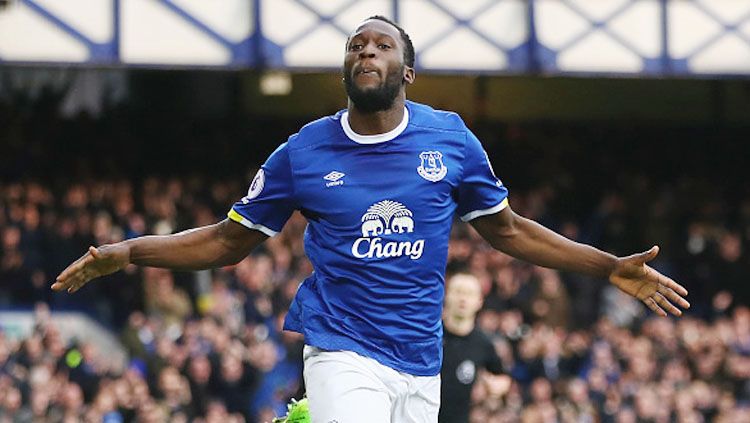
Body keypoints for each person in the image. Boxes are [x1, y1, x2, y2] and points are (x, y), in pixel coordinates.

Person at [52, 15, 690, 423]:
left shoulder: (451, 140)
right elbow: (226, 243)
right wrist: (129, 252)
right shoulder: (302, 153)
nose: (366, 50)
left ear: (405, 71)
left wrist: (609, 267)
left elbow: (511, 230)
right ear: (346, 71)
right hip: (342, 348)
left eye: (382, 45)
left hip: (420, 357)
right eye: (356, 45)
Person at [440, 273, 510, 423]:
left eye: (470, 294)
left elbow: (502, 377)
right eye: (458, 291)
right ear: (447, 295)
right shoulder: (430, 335)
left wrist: (496, 387)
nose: (463, 299)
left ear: (479, 301)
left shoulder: (483, 343)